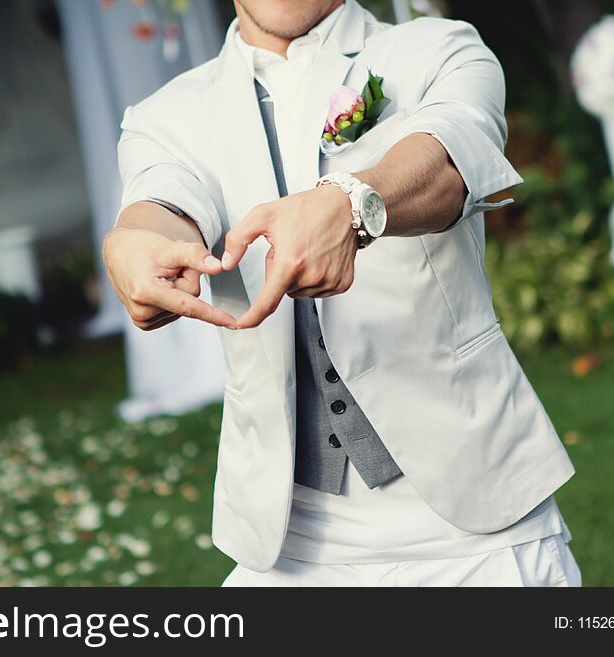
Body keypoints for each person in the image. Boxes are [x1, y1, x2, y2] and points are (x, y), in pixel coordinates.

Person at [103, 0, 581, 586]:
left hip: (479, 527)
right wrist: (132, 242)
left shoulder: (437, 48)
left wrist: (354, 203)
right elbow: (161, 201)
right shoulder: (164, 116)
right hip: (289, 550)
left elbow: (451, 157)